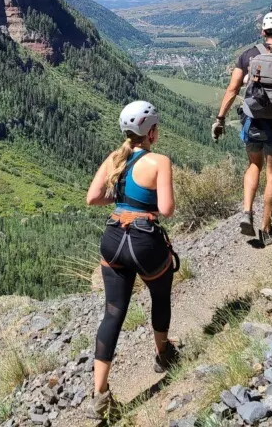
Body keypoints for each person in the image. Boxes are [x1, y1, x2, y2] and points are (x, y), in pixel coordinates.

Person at [85, 100, 179, 422]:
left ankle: (100, 396)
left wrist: (124, 199)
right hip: (144, 241)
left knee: (113, 313)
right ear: (151, 131)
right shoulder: (159, 161)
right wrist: (144, 203)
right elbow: (166, 209)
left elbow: (93, 197)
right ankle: (164, 354)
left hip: (112, 238)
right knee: (160, 295)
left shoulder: (115, 158)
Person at [211, 10, 272, 246]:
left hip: (251, 120)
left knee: (254, 165)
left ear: (263, 32)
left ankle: (247, 212)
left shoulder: (249, 54)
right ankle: (267, 228)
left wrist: (220, 118)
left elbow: (233, 89)